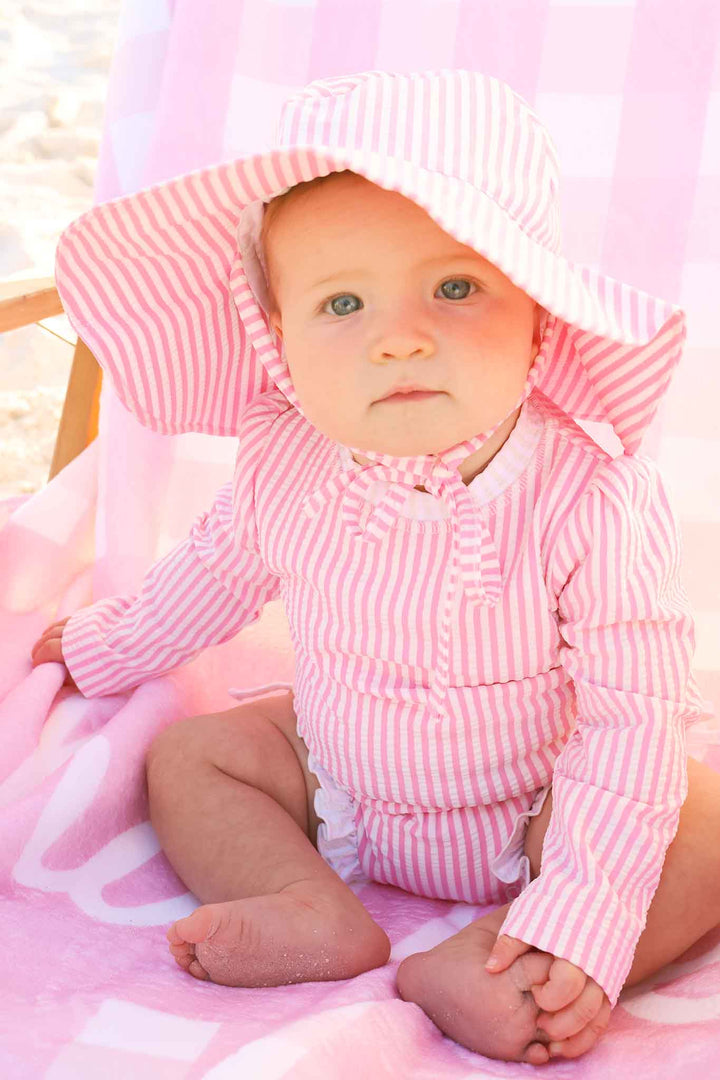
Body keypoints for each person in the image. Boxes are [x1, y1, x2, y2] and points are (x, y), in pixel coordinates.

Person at [31, 70, 720, 1066]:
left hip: (539, 802)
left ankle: (508, 955)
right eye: (342, 303)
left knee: (695, 816)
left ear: (539, 313)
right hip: (337, 779)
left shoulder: (594, 497)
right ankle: (306, 905)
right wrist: (104, 645)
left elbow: (628, 719)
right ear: (282, 349)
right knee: (192, 755)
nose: (399, 338)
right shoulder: (289, 459)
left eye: (454, 288)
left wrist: (582, 910)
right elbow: (212, 574)